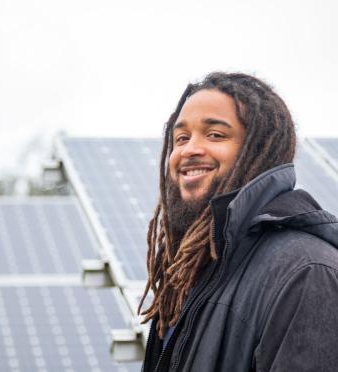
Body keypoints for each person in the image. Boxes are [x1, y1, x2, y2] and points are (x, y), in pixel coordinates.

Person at [138, 72, 338, 372]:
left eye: (215, 135)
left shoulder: (306, 272)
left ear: (258, 151)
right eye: (181, 138)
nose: (189, 149)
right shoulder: (191, 275)